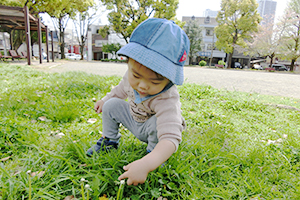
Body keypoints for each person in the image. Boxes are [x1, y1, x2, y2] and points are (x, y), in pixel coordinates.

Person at [87, 18, 190, 186]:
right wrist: (105, 100)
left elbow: (170, 138)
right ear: (128, 63)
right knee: (111, 104)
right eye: (136, 75)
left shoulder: (167, 99)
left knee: (158, 124)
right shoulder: (129, 79)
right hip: (135, 121)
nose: (142, 85)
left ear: (170, 80)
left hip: (154, 129)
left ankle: (153, 154)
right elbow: (119, 91)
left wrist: (147, 163)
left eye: (155, 82)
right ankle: (109, 141)